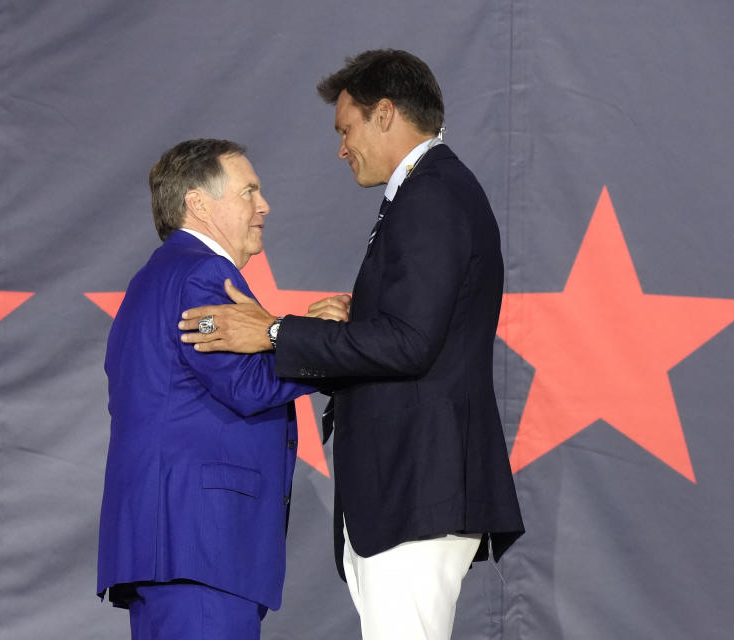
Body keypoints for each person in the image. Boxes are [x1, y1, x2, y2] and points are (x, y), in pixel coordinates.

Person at [178, 51, 524, 640]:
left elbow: (410, 343)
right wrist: (354, 320)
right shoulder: (426, 193)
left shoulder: (433, 195)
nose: (342, 148)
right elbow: (413, 332)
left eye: (347, 129)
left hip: (417, 485)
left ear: (385, 113)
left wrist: (274, 331)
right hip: (407, 489)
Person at [96, 139, 344, 640]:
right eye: (249, 191)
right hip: (201, 545)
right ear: (198, 203)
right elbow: (246, 384)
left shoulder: (154, 277)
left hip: (171, 547)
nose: (264, 204)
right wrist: (319, 341)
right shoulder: (202, 273)